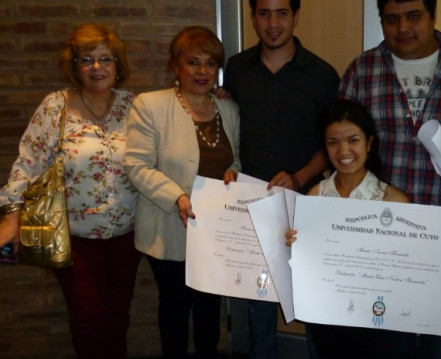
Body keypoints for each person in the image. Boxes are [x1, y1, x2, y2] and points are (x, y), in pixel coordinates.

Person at [339, 0, 441, 357]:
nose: (403, 28)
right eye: (392, 20)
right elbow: (344, 140)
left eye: (413, 17)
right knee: (390, 335)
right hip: (384, 225)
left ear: (432, 15)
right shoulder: (363, 69)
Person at [284, 99, 441, 359]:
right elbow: (305, 263)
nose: (343, 150)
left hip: (383, 325)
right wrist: (291, 244)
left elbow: (419, 261)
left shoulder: (394, 201)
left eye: (353, 140)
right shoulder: (314, 197)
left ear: (369, 143)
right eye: (333, 142)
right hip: (328, 319)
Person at [0, 23, 140, 359]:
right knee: (88, 318)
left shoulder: (135, 106)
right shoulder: (56, 106)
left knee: (118, 317)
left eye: (105, 59)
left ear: (117, 65)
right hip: (73, 235)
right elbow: (28, 162)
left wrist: (217, 98)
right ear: (73, 65)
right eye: (86, 59)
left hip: (128, 233)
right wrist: (11, 216)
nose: (96, 67)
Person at [223, 0, 340, 358]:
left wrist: (300, 176)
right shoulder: (237, 68)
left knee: (313, 292)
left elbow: (331, 142)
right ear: (253, 17)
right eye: (263, 13)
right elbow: (228, 125)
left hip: (308, 201)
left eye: (282, 13)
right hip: (254, 205)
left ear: (296, 16)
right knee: (260, 299)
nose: (272, 23)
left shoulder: (322, 74)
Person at [123, 26, 241, 358]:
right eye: (193, 62)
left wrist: (234, 172)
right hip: (169, 226)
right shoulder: (150, 105)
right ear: (176, 66)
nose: (202, 71)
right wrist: (176, 195)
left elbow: (238, 157)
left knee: (209, 305)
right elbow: (136, 164)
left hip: (216, 228)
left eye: (210, 63)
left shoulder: (228, 110)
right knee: (175, 305)